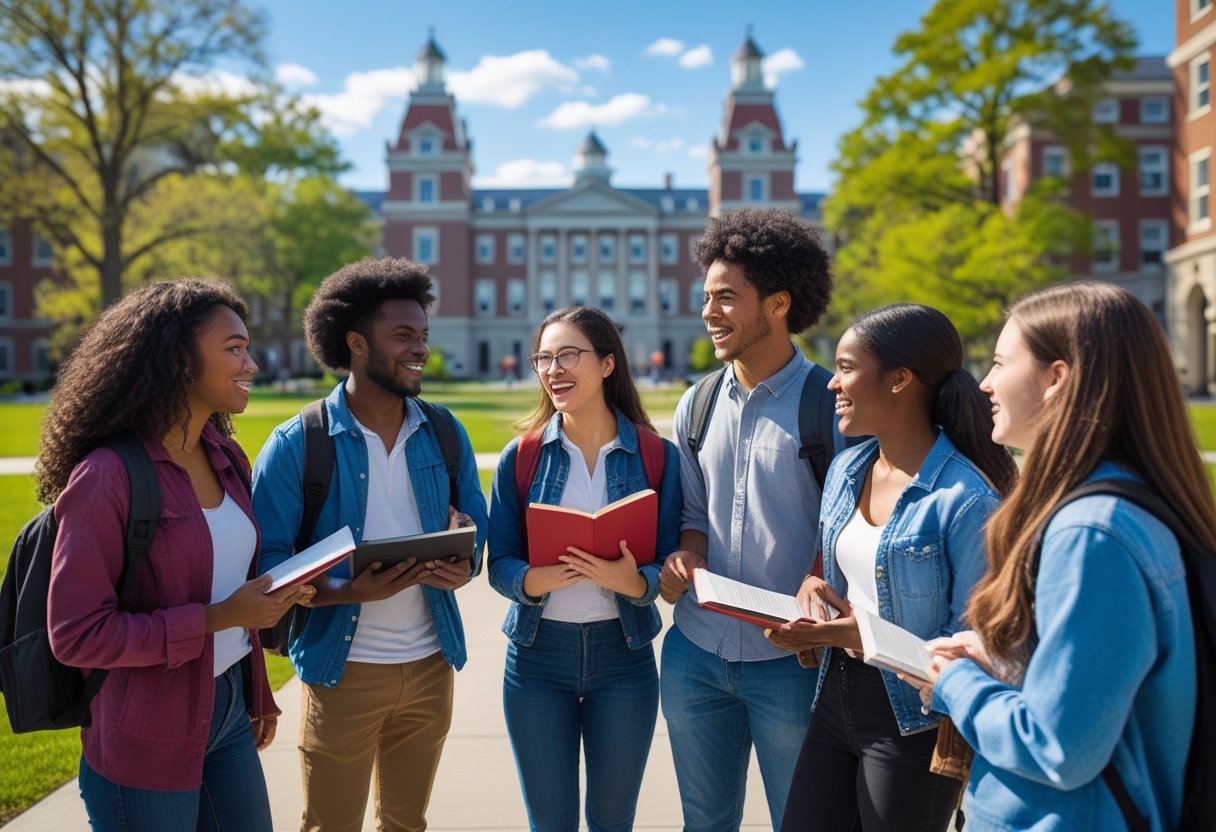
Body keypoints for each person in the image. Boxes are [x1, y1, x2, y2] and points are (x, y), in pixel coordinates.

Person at [903, 281, 1214, 831]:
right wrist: (1002, 662)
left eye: (1000, 363)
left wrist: (954, 682)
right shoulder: (1121, 508)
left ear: (1057, 378)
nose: (984, 383)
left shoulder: (1091, 534)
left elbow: (1058, 746)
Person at [44, 279, 307, 830]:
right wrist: (219, 618)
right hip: (144, 733)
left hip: (230, 711)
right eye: (233, 348)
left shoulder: (225, 454)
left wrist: (255, 689)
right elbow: (76, 635)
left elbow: (232, 585)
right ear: (178, 360)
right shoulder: (107, 477)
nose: (252, 364)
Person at [251, 258, 488, 832]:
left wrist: (465, 563)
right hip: (343, 671)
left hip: (432, 664)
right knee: (331, 825)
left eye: (423, 336)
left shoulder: (444, 431)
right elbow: (266, 566)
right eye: (403, 335)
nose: (420, 349)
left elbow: (477, 535)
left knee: (406, 824)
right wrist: (342, 591)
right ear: (356, 343)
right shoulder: (297, 442)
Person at [764, 304, 1017, 831]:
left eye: (847, 367)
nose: (833, 383)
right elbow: (845, 578)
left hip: (915, 718)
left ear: (900, 379)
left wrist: (860, 635)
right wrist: (816, 589)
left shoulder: (967, 500)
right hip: (835, 698)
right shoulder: (846, 468)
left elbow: (973, 645)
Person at [658, 207, 836, 830]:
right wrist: (686, 555)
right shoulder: (697, 403)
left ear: (779, 303)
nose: (709, 311)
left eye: (726, 297)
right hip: (694, 655)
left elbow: (853, 529)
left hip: (791, 663)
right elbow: (694, 513)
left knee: (801, 821)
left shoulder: (829, 406)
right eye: (706, 296)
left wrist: (819, 588)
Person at [487, 306, 682, 832]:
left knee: (613, 822)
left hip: (625, 658)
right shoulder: (521, 457)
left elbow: (668, 557)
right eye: (544, 358)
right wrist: (535, 580)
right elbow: (499, 562)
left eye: (568, 355)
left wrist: (635, 582)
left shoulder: (655, 456)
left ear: (607, 364)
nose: (553, 369)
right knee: (550, 823)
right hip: (536, 661)